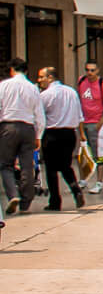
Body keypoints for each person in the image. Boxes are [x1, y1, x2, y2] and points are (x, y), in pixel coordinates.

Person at [0, 59, 43, 217]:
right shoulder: (33, 88)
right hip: (28, 128)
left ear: (12, 70)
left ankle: (13, 195)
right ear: (26, 71)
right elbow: (39, 113)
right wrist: (39, 135)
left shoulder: (3, 86)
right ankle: (26, 203)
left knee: (6, 165)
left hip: (8, 127)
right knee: (27, 166)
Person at [38, 67, 83, 211]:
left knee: (51, 169)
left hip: (52, 134)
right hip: (70, 133)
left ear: (50, 77)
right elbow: (79, 115)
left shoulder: (45, 95)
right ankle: (75, 189)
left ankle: (55, 201)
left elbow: (39, 116)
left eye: (41, 77)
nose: (39, 80)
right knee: (66, 165)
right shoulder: (72, 92)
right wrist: (81, 134)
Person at [76, 62, 103, 190]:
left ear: (97, 71)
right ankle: (83, 179)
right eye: (87, 70)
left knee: (98, 153)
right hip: (83, 121)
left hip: (96, 121)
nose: (89, 73)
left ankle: (99, 182)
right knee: (83, 152)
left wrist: (100, 122)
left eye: (92, 70)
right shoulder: (81, 81)